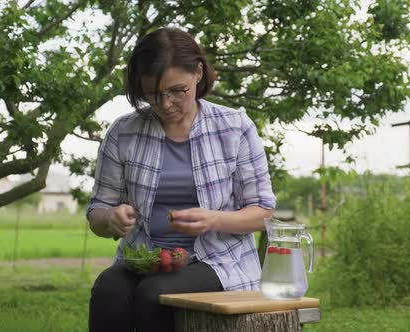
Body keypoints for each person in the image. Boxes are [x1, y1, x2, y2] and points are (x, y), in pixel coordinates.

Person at [86, 27, 276, 332]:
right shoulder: (123, 132)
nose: (165, 104)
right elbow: (97, 212)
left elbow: (263, 212)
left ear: (198, 73)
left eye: (177, 91)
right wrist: (111, 218)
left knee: (154, 294)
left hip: (217, 260)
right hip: (144, 258)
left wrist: (213, 220)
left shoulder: (234, 127)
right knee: (109, 289)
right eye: (152, 94)